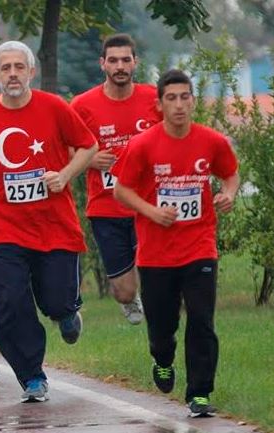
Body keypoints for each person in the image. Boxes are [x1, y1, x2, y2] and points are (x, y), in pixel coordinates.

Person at [0, 41, 97, 403]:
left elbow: (88, 146)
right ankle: (32, 375)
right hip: (4, 228)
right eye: (7, 68)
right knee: (9, 304)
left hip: (54, 224)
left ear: (31, 72)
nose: (13, 73)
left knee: (56, 298)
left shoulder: (53, 107)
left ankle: (66, 312)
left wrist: (65, 175)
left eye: (20, 66)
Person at [114, 69, 239, 418]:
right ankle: (162, 358)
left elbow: (229, 173)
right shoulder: (143, 145)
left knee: (201, 319)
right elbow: (121, 190)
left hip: (199, 246)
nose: (179, 105)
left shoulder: (211, 141)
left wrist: (228, 194)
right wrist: (151, 212)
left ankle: (200, 392)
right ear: (159, 105)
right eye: (172, 98)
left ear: (194, 102)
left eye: (185, 97)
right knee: (162, 327)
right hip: (156, 254)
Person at [70, 33, 161, 325]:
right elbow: (66, 147)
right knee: (123, 291)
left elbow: (175, 136)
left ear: (136, 62)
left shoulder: (153, 98)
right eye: (113, 60)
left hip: (148, 206)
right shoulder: (83, 105)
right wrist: (90, 159)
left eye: (126, 59)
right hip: (106, 209)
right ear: (102, 64)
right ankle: (129, 298)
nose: (120, 66)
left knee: (157, 273)